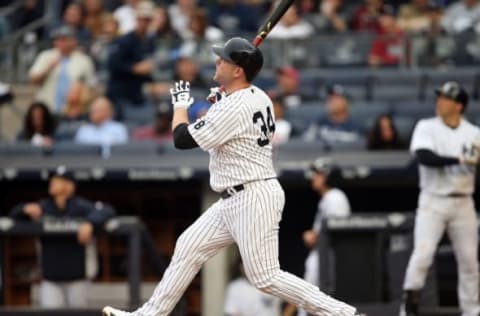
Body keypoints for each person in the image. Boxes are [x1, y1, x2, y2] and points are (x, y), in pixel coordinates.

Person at [103, 37, 364, 316]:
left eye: (223, 59)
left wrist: (181, 105)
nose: (217, 61)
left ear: (238, 70)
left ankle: (342, 313)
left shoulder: (234, 106)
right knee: (189, 246)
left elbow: (181, 138)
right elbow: (236, 111)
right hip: (234, 197)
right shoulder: (259, 95)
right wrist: (223, 98)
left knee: (265, 277)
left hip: (253, 195)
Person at [399, 81, 480, 316]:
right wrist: (459, 160)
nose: (440, 101)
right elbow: (424, 157)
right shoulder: (427, 126)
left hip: (464, 201)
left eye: (446, 98)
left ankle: (472, 311)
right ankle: (408, 310)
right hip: (433, 201)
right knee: (422, 256)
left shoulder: (474, 133)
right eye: (440, 97)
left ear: (459, 105)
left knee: (470, 262)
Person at [10, 166, 115, 308]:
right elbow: (13, 215)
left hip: (77, 277)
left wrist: (90, 223)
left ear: (70, 186)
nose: (52, 182)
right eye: (53, 179)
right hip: (50, 278)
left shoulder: (80, 206)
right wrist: (24, 209)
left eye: (58, 180)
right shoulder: (44, 206)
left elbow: (107, 210)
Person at [297, 157, 351, 316]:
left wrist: (313, 236)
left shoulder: (336, 197)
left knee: (321, 304)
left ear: (329, 176)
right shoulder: (327, 199)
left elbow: (337, 232)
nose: (314, 177)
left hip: (329, 259)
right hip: (321, 257)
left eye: (319, 174)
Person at [29, 25, 95, 113]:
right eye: (57, 39)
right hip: (47, 109)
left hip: (73, 111)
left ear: (73, 41)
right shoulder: (45, 56)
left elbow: (91, 87)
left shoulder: (84, 60)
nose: (60, 42)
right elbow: (33, 79)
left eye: (64, 39)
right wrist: (48, 69)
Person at [106, 0, 155, 120]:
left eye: (147, 20)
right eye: (141, 19)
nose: (144, 23)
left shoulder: (150, 42)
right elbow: (112, 64)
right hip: (120, 91)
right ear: (136, 19)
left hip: (137, 91)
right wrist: (134, 68)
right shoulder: (124, 40)